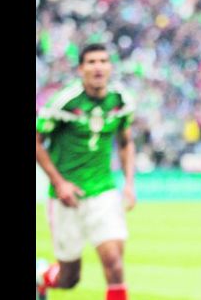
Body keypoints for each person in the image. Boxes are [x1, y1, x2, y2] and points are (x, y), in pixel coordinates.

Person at [35, 43, 136, 300]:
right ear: (81, 69)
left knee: (114, 264)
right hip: (67, 197)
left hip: (103, 191)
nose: (98, 67)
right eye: (91, 62)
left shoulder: (121, 100)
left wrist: (129, 184)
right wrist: (59, 183)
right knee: (69, 278)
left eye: (103, 61)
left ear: (111, 67)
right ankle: (42, 277)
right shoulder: (64, 102)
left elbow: (125, 142)